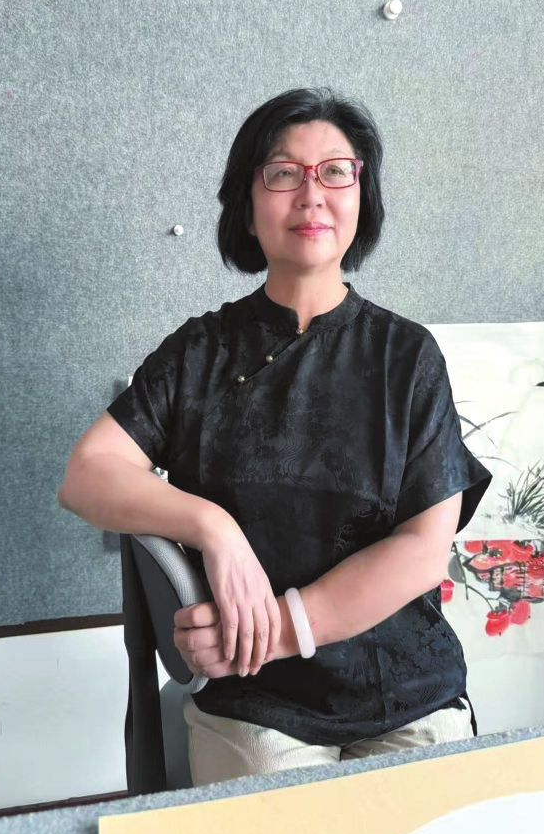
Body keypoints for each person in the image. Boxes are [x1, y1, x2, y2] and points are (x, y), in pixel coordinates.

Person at [59, 88, 492, 786]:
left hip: (406, 686)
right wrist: (214, 528)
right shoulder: (199, 351)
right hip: (256, 695)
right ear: (247, 203)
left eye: (336, 172)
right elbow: (87, 474)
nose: (311, 194)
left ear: (362, 196)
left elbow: (421, 551)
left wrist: (279, 628)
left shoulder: (408, 355)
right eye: (284, 172)